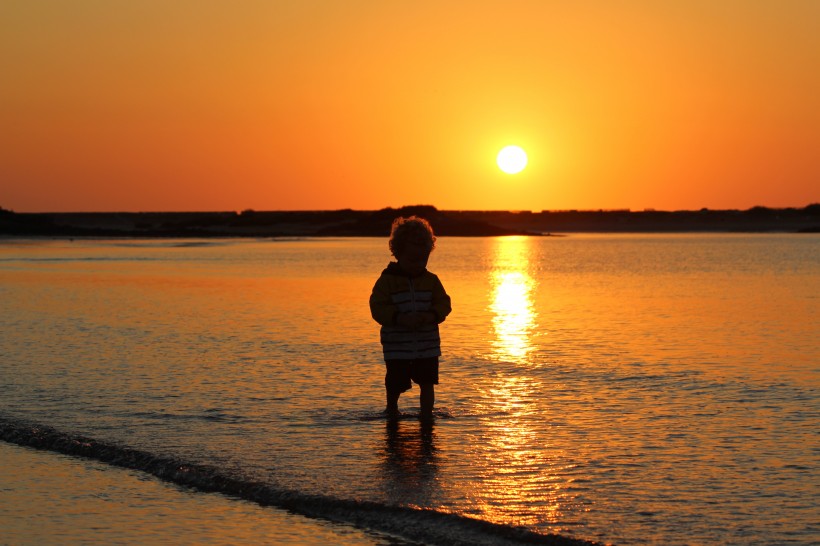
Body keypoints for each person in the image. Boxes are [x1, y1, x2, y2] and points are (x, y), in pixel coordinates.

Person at [369, 216, 452, 419]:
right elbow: (377, 307)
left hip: (427, 345)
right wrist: (398, 318)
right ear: (398, 253)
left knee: (427, 381)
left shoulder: (431, 281)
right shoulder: (387, 281)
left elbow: (444, 303)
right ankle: (391, 409)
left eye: (423, 259)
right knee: (395, 381)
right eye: (413, 259)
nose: (419, 264)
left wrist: (431, 315)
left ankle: (426, 414)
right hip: (397, 345)